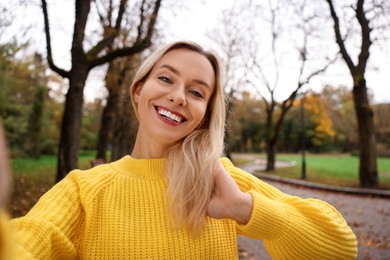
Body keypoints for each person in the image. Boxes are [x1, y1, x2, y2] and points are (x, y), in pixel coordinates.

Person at [0, 41, 357, 259]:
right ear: (139, 91)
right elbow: (32, 240)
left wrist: (244, 208)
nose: (178, 96)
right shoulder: (84, 190)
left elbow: (340, 247)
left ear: (204, 117)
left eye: (198, 92)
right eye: (166, 78)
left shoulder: (219, 180)